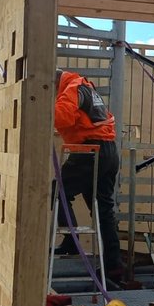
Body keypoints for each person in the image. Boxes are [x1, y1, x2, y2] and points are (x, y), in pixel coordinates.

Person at [51, 68, 124, 285]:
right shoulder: (87, 87)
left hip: (90, 152)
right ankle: (114, 267)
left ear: (55, 83)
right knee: (103, 210)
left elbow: (61, 117)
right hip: (108, 152)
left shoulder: (71, 88)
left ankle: (72, 241)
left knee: (57, 191)